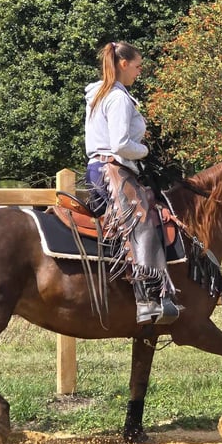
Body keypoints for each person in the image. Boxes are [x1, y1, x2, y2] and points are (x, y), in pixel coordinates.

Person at [84, 41, 179, 325]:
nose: (139, 72)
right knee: (143, 220)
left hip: (101, 168)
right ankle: (147, 298)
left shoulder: (104, 94)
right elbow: (121, 144)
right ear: (123, 64)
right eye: (137, 66)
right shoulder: (117, 98)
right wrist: (146, 151)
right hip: (113, 170)